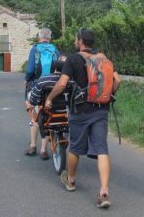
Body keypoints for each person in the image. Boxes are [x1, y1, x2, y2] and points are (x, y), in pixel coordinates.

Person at [44, 28, 121, 209]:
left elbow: (62, 83)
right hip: (101, 109)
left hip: (80, 111)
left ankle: (70, 181)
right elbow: (117, 80)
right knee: (102, 149)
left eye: (75, 39)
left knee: (76, 148)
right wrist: (108, 95)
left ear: (80, 41)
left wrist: (49, 98)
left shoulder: (73, 59)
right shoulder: (103, 58)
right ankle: (104, 191)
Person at [24, 28, 60, 158]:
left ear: (39, 37)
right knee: (46, 115)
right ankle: (44, 150)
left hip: (36, 85)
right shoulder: (55, 49)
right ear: (49, 38)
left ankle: (33, 145)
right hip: (52, 86)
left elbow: (30, 69)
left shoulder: (35, 49)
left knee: (34, 115)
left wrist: (27, 80)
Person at [25, 55, 74, 148]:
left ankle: (34, 145)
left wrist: (30, 103)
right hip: (67, 112)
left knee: (33, 112)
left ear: (54, 67)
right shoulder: (72, 81)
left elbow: (34, 99)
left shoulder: (43, 80)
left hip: (48, 112)